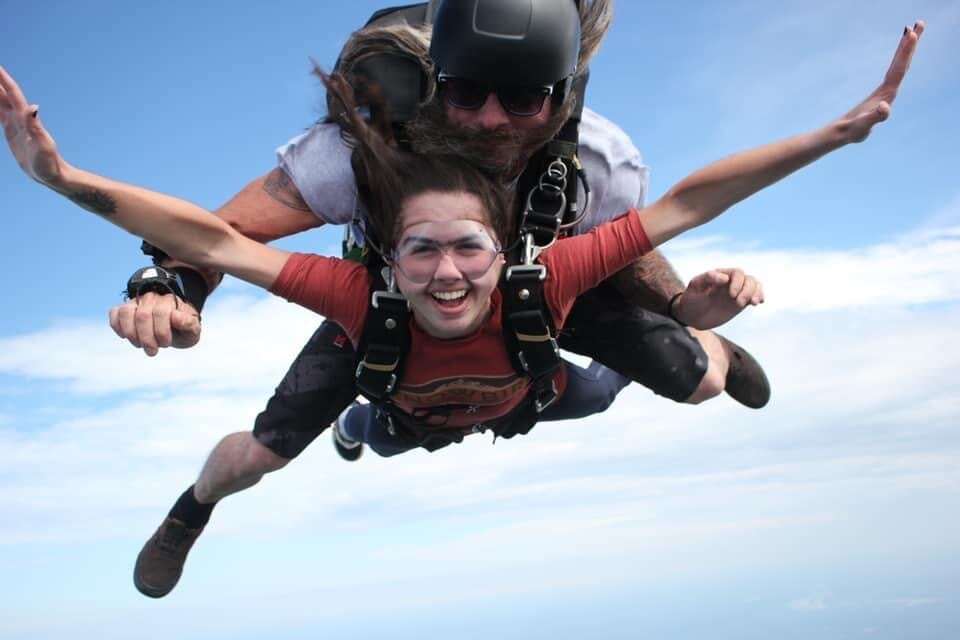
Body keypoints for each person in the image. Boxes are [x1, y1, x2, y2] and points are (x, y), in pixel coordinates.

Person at [0, 12, 922, 592]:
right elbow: (214, 237)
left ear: (560, 97)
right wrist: (158, 274)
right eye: (468, 93)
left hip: (530, 319)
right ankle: (194, 507)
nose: (490, 120)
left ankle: (705, 356)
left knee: (688, 377)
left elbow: (675, 216)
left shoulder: (587, 176)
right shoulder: (353, 182)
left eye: (523, 100)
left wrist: (695, 312)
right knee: (266, 454)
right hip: (394, 342)